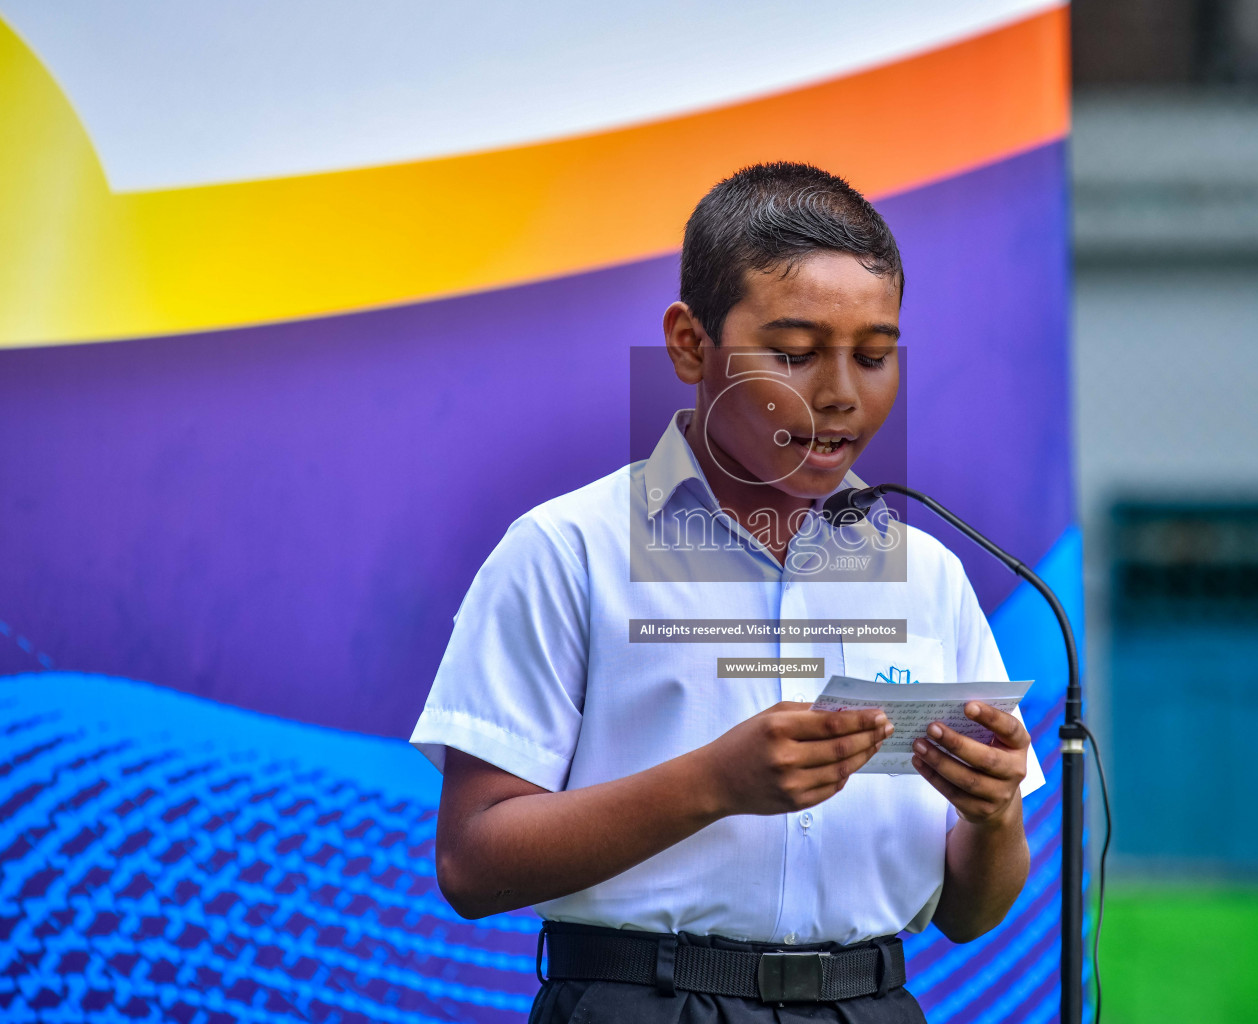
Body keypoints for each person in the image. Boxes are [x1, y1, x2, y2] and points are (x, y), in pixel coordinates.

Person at [410, 162, 1044, 1024]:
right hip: (642, 1001)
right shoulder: (568, 550)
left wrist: (994, 812)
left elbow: (971, 913)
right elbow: (474, 864)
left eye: (875, 355)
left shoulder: (927, 573)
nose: (840, 395)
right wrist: (715, 782)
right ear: (688, 344)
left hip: (872, 1005)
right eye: (792, 353)